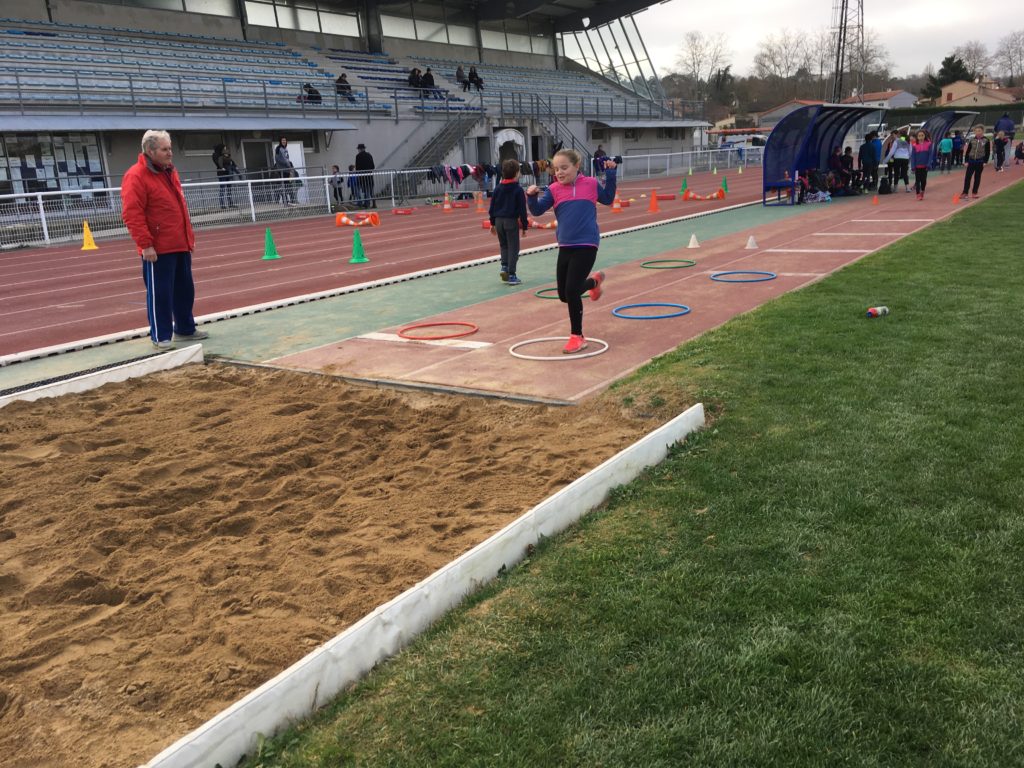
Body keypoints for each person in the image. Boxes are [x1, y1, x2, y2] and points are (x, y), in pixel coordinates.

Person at [121, 130, 207, 350]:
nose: (170, 153)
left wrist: (188, 239)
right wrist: (145, 244)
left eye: (170, 148)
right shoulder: (136, 176)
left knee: (184, 290)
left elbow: (178, 206)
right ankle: (161, 336)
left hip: (179, 243)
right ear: (150, 151)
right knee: (160, 293)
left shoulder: (169, 172)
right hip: (157, 248)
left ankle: (185, 328)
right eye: (165, 149)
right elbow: (132, 213)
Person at [526, 148, 617, 354]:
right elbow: (538, 211)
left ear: (577, 166)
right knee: (564, 295)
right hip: (565, 246)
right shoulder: (553, 189)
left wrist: (611, 175)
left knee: (571, 291)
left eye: (564, 167)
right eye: (556, 169)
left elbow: (609, 198)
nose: (559, 172)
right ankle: (594, 282)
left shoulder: (591, 184)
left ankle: (578, 337)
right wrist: (531, 197)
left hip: (587, 244)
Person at [488, 159, 529, 286]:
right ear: (517, 173)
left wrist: (492, 223)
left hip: (499, 221)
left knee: (504, 245)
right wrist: (524, 226)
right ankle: (512, 275)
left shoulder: (498, 188)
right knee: (513, 248)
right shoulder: (518, 190)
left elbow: (492, 207)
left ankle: (504, 266)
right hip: (511, 221)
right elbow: (522, 210)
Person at [961, 124, 991, 200]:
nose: (978, 132)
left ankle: (974, 192)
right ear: (974, 131)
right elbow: (968, 151)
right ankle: (965, 193)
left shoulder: (986, 140)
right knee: (968, 177)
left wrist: (985, 162)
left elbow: (987, 152)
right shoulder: (972, 140)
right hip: (971, 161)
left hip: (980, 162)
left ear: (983, 131)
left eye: (979, 131)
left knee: (977, 177)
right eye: (976, 131)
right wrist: (966, 161)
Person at [212, 143, 238, 209]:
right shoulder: (216, 155)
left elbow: (231, 161)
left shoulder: (225, 155)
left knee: (229, 188)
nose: (225, 150)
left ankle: (230, 203)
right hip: (222, 173)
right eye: (224, 148)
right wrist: (226, 164)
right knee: (222, 189)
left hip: (228, 173)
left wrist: (234, 165)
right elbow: (218, 163)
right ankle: (222, 205)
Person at [274, 137, 298, 206]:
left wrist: (289, 167)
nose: (284, 141)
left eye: (285, 140)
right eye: (282, 140)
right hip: (282, 170)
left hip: (287, 170)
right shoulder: (279, 149)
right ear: (280, 141)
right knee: (284, 185)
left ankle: (289, 201)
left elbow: (287, 158)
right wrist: (289, 166)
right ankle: (286, 201)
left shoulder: (285, 149)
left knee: (287, 185)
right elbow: (282, 159)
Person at [910, 129, 932, 200]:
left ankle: (922, 190)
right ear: (917, 137)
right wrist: (913, 166)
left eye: (922, 135)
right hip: (917, 166)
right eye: (919, 136)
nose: (921, 137)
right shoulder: (914, 145)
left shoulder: (928, 144)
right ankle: (918, 194)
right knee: (917, 180)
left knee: (924, 180)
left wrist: (928, 164)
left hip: (925, 166)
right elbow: (913, 156)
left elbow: (930, 155)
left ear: (925, 136)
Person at [354, 142, 375, 209]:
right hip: (369, 175)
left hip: (362, 176)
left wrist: (358, 175)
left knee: (363, 190)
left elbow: (357, 167)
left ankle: (365, 203)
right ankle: (372, 203)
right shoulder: (369, 155)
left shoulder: (358, 156)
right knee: (370, 190)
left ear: (359, 149)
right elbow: (373, 166)